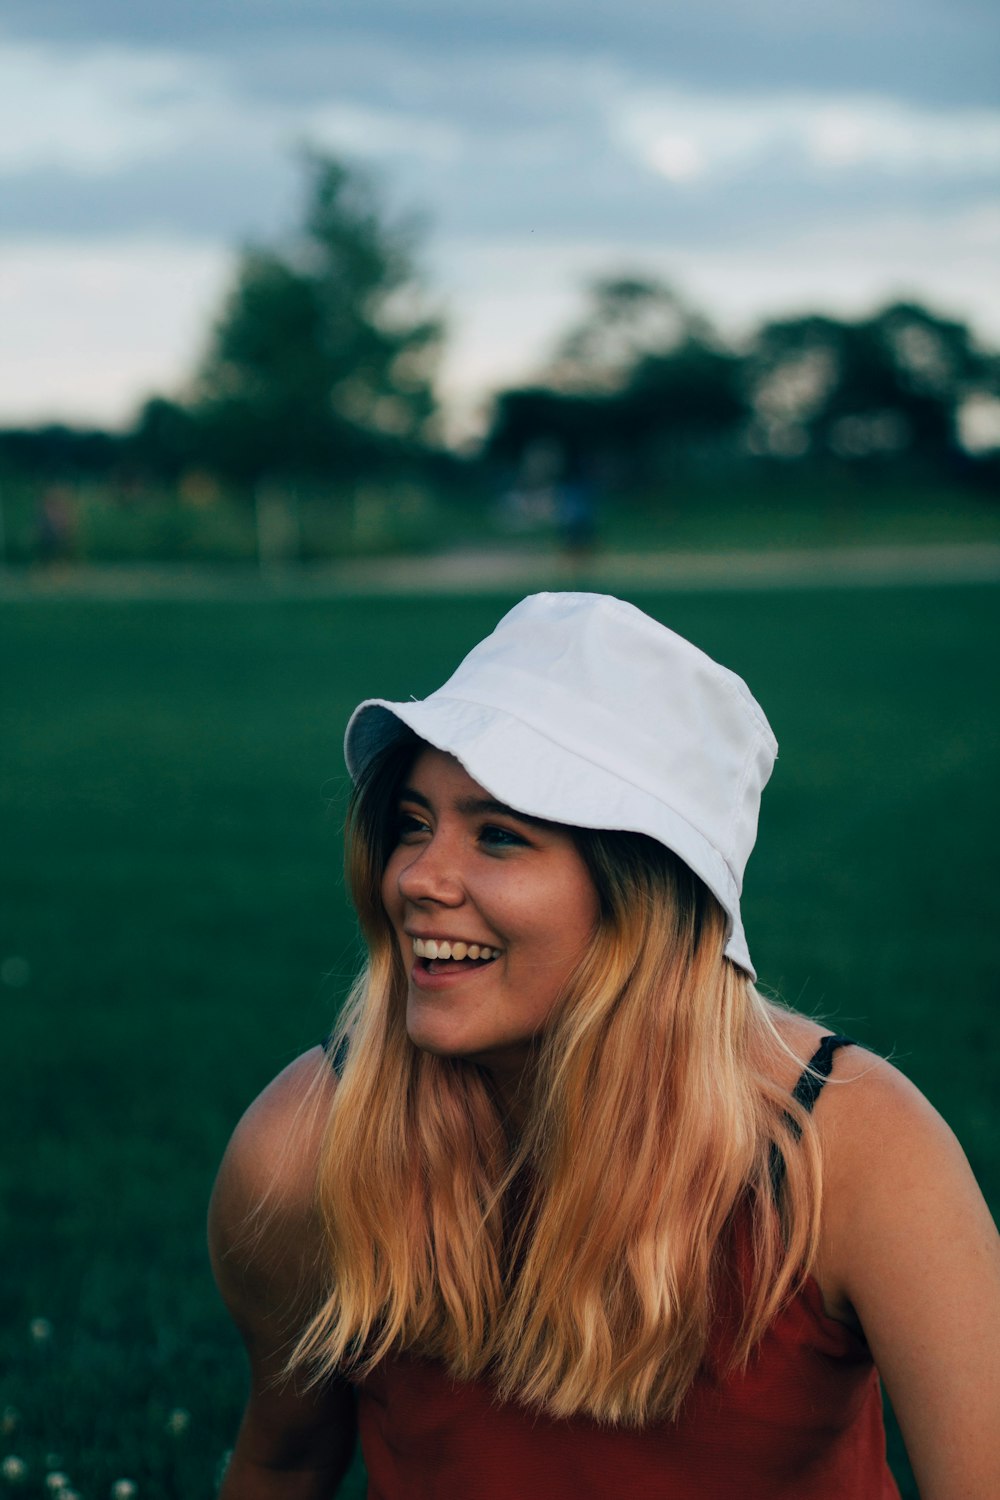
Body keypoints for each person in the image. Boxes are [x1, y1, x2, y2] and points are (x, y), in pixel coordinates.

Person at [209, 592, 1000, 1499]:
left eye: (500, 837)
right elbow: (283, 1460)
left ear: (646, 901)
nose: (418, 878)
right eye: (414, 824)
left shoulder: (854, 1153)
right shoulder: (306, 1149)